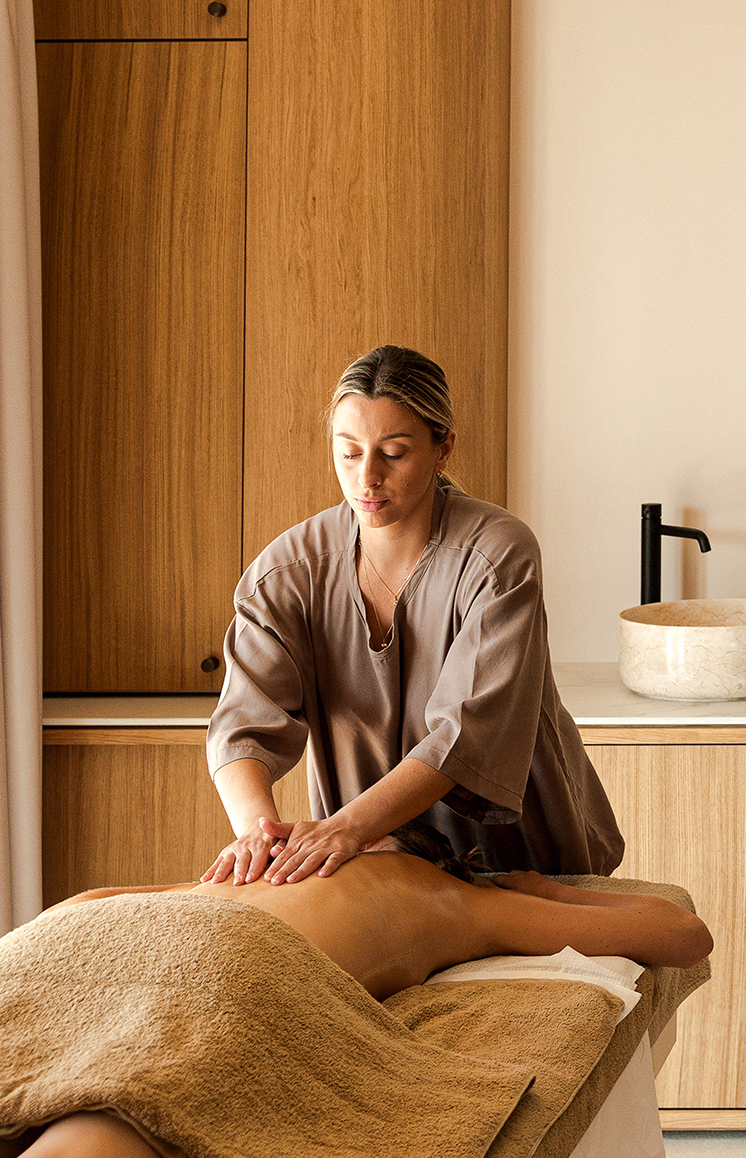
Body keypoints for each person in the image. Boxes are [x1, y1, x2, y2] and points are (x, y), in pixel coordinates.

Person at [0, 845, 711, 1158]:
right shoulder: (442, 897)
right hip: (205, 971)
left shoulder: (231, 869)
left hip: (54, 956)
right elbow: (677, 931)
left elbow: (78, 910)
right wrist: (546, 891)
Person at [202, 344, 621, 885]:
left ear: (443, 448)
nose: (367, 478)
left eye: (393, 453)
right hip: (373, 862)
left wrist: (348, 827)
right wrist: (259, 836)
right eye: (348, 453)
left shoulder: (496, 557)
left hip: (516, 856)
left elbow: (465, 732)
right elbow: (242, 723)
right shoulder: (288, 572)